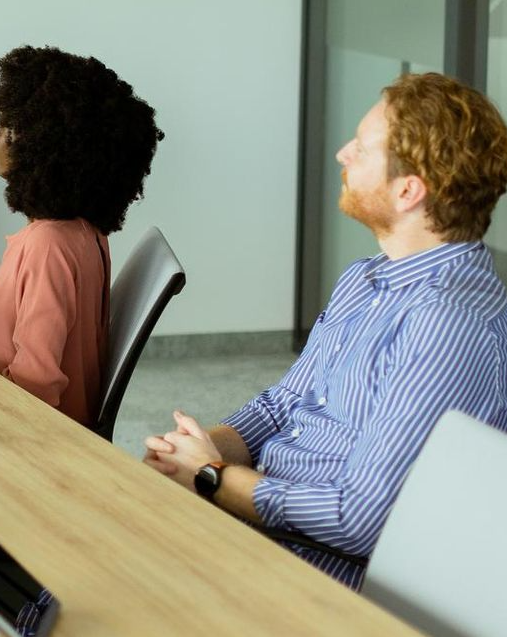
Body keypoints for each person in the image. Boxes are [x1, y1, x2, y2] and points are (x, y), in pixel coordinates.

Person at [144, 72, 507, 588]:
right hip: (255, 519)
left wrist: (213, 478)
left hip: (313, 572)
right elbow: (281, 406)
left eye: (361, 147)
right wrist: (190, 453)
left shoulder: (446, 323)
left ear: (408, 191)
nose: (343, 154)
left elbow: (359, 520)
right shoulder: (366, 277)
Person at [0, 45, 162, 422]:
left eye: (5, 128)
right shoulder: (85, 232)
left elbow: (35, 388)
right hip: (4, 411)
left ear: (42, 146)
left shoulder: (47, 246)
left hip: (18, 436)